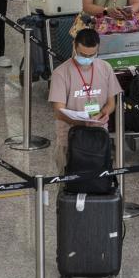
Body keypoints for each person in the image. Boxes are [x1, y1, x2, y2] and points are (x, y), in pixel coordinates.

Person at [48, 28, 119, 172]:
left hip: (98, 138)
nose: (87, 59)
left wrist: (104, 113)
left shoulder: (105, 68)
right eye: (82, 54)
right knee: (69, 184)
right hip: (70, 139)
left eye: (92, 55)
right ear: (74, 46)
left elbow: (111, 102)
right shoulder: (61, 73)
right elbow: (58, 112)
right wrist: (82, 122)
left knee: (98, 182)